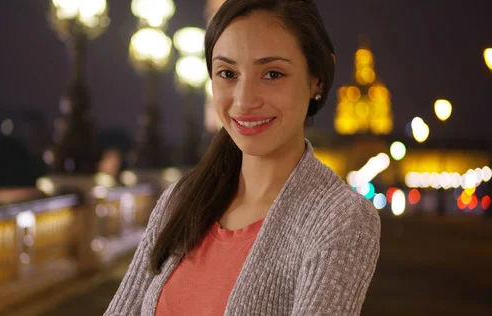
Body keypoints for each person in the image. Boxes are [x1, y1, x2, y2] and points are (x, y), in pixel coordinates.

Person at [104, 0, 380, 315]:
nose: (244, 100)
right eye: (228, 73)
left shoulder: (340, 219)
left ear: (317, 78)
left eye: (273, 73)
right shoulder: (180, 201)